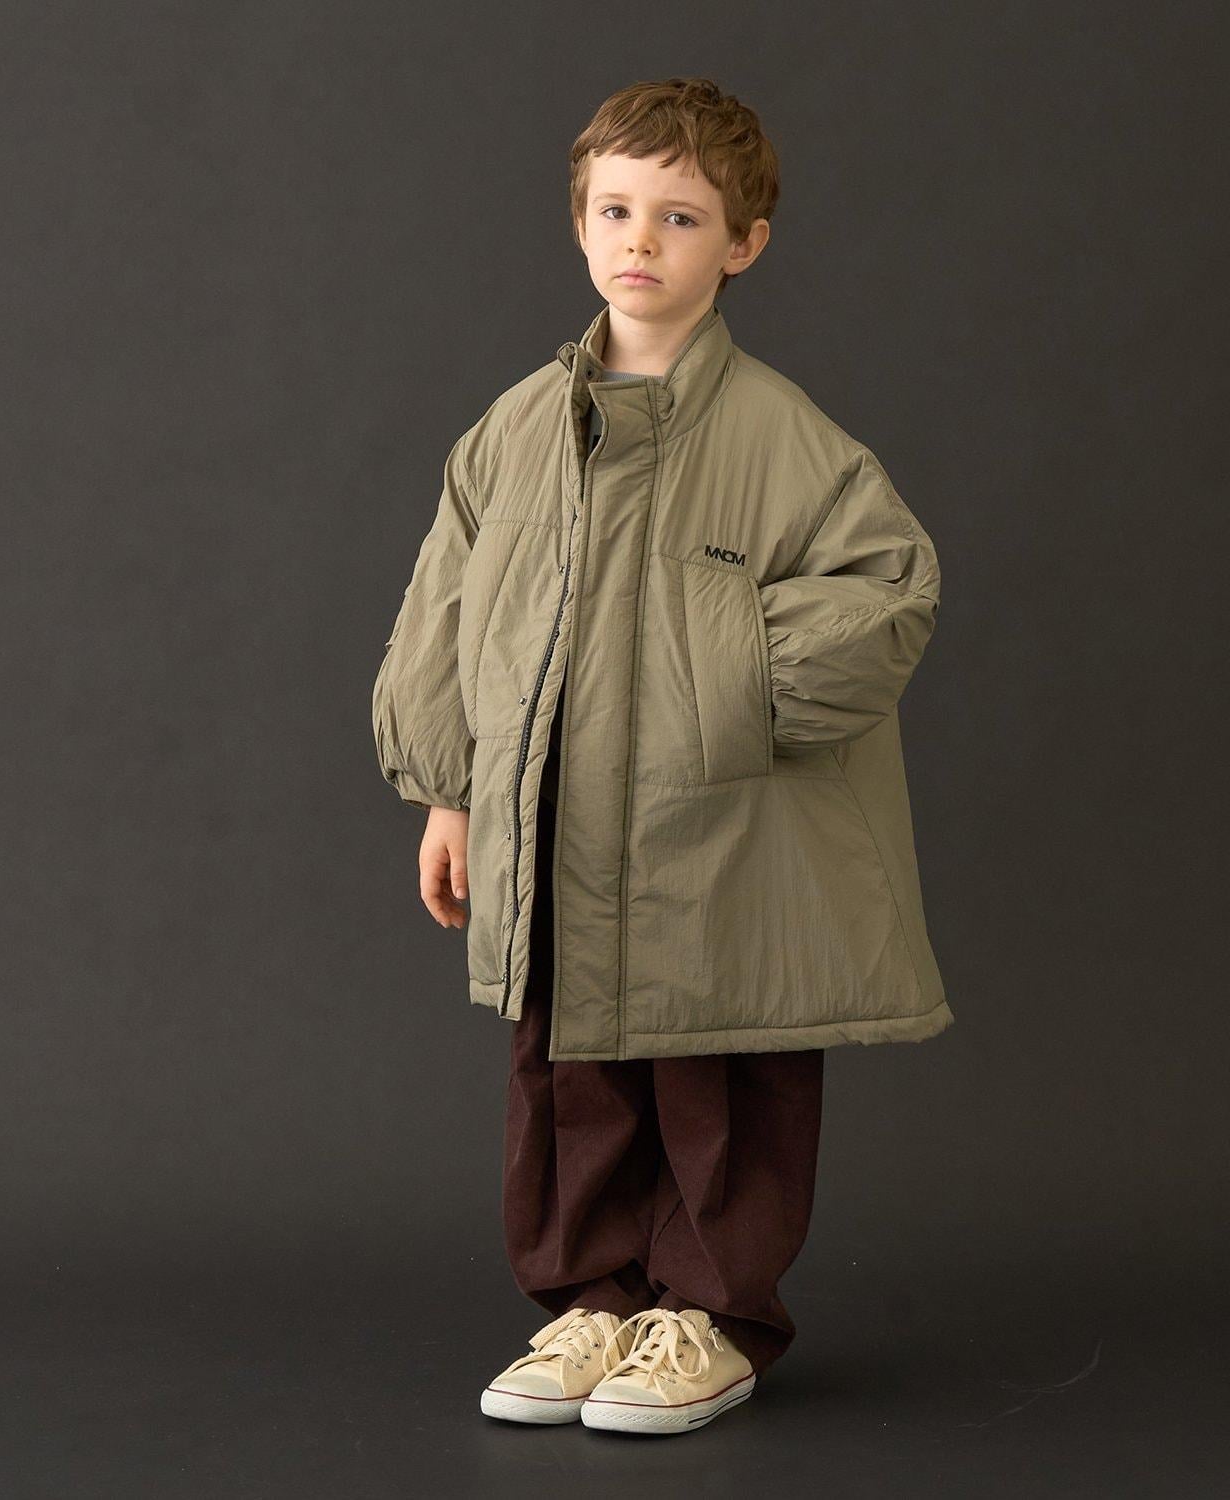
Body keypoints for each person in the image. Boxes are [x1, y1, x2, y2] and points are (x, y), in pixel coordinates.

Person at [371, 76, 951, 1436]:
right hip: (557, 835)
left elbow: (891, 591)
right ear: (579, 226)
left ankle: (710, 1317)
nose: (642, 239)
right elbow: (443, 612)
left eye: (681, 217)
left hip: (719, 846)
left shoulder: (786, 440)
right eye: (617, 209)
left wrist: (726, 684)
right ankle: (592, 1304)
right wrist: (450, 791)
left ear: (743, 244)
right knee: (569, 1076)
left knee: (718, 1079)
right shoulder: (513, 432)